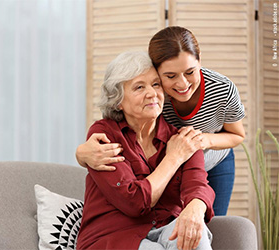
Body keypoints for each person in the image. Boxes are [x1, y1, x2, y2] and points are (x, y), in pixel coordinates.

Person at [76, 26, 245, 216]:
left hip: (214, 158)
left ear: (199, 61)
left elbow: (237, 135)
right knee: (172, 216)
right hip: (175, 157)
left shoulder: (222, 89)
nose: (182, 84)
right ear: (157, 72)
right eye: (171, 76)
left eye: (190, 72)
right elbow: (119, 115)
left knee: (211, 220)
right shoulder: (155, 93)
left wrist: (202, 141)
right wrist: (81, 154)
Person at [76, 51, 215, 250]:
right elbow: (134, 202)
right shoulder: (104, 134)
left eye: (156, 84)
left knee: (195, 234)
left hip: (166, 226)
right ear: (118, 101)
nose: (152, 93)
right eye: (139, 87)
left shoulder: (182, 138)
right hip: (113, 235)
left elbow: (198, 185)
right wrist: (174, 157)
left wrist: (195, 209)